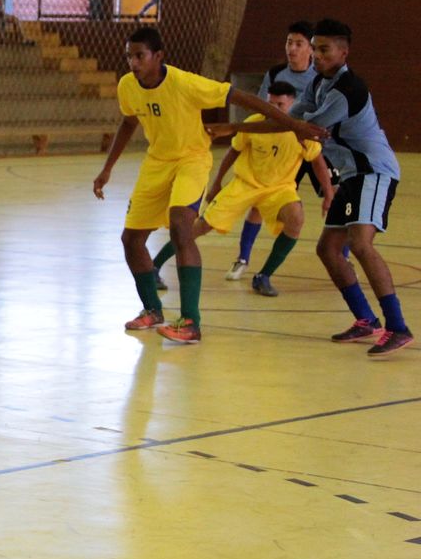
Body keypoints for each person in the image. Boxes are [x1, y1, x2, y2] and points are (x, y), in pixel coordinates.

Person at [91, 27, 326, 344]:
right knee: (131, 240)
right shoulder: (127, 86)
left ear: (158, 56)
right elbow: (129, 122)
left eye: (139, 56)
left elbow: (246, 100)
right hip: (156, 163)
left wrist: (294, 124)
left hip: (191, 160)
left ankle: (190, 322)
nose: (133, 62)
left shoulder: (186, 83)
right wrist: (108, 168)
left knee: (181, 225)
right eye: (129, 56)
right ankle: (152, 310)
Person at [289, 19, 410, 355]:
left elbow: (309, 126)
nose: (316, 56)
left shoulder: (349, 89)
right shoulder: (317, 84)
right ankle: (365, 320)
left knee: (360, 243)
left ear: (344, 52)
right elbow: (292, 117)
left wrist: (285, 123)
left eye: (323, 50)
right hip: (350, 175)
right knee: (328, 249)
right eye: (314, 48)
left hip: (373, 171)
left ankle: (398, 326)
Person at [149, 81, 333, 298]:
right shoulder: (253, 124)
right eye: (269, 103)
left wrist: (328, 192)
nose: (272, 109)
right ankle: (154, 267)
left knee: (296, 218)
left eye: (280, 105)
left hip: (279, 188)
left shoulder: (300, 130)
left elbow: (318, 162)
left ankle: (263, 276)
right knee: (200, 226)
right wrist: (217, 182)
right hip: (245, 185)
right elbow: (233, 152)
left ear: (293, 104)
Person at [225, 20, 319, 280]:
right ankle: (242, 258)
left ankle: (343, 257)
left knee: (335, 197)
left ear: (311, 49)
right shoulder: (276, 73)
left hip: (311, 146)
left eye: (299, 43)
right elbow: (261, 109)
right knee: (259, 201)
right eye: (289, 42)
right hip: (281, 149)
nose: (292, 48)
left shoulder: (320, 77)